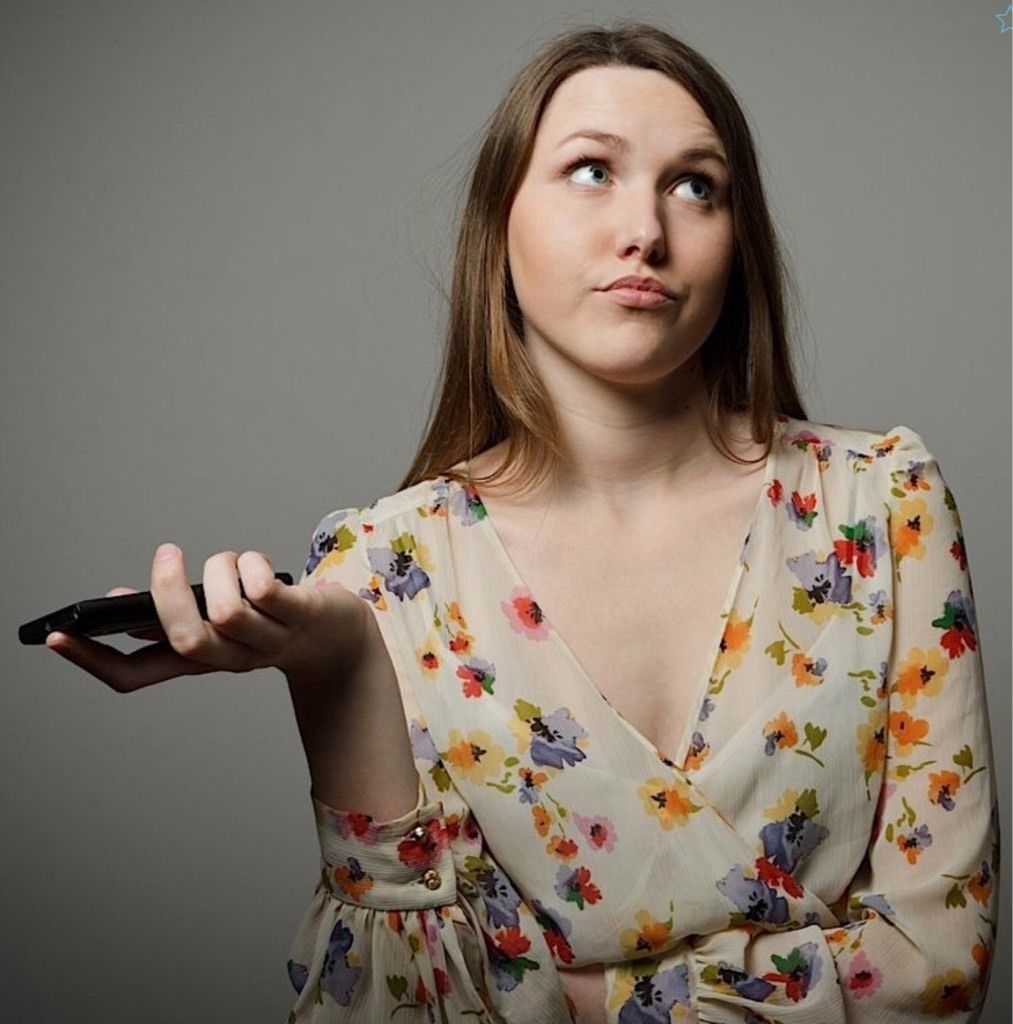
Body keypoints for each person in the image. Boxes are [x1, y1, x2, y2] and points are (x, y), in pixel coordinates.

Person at [44, 20, 1000, 1024]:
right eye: (591, 171)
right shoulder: (386, 567)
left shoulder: (881, 503)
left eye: (694, 186)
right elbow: (394, 994)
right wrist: (342, 671)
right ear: (497, 223)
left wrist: (579, 1000)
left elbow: (934, 971)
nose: (644, 230)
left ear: (738, 241)